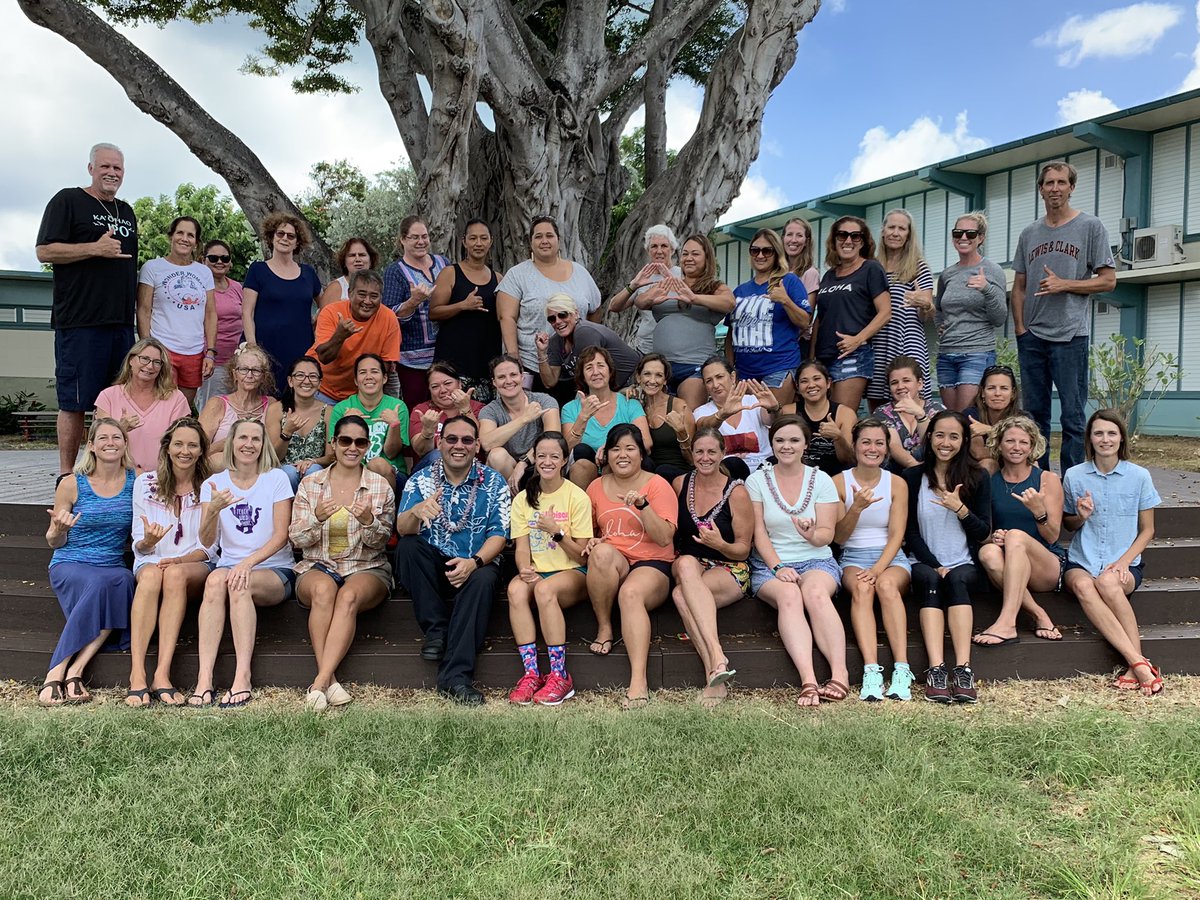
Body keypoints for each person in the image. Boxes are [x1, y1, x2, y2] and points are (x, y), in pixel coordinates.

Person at [36, 143, 138, 480]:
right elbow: (44, 251)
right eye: (105, 166)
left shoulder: (126, 211)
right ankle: (66, 474)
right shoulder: (67, 200)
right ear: (91, 167)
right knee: (75, 402)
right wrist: (94, 248)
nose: (112, 173)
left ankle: (109, 473)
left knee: (115, 402)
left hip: (120, 324)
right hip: (81, 322)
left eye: (118, 168)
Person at [394, 415, 511, 705]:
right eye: (452, 439)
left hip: (475, 566)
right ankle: (438, 631)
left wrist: (474, 562)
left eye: (467, 440)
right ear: (440, 442)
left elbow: (500, 534)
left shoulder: (493, 481)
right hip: (434, 568)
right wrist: (416, 511)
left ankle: (455, 678)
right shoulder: (420, 480)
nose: (459, 446)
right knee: (408, 548)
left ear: (477, 445)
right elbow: (402, 529)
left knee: (484, 578)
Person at [1012, 161, 1117, 472]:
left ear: (1072, 187)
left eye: (1061, 182)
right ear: (1040, 189)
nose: (1054, 188)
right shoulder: (1029, 233)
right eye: (1049, 183)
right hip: (1032, 337)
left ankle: (1071, 482)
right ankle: (1039, 479)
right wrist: (1020, 328)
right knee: (1034, 415)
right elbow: (1019, 286)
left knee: (1072, 416)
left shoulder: (1090, 227)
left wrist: (1064, 284)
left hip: (1070, 335)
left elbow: (1108, 280)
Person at [290, 415, 396, 712]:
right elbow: (297, 538)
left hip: (366, 565)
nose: (352, 447)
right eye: (345, 441)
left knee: (347, 596)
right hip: (317, 563)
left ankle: (320, 683)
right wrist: (317, 518)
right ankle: (330, 680)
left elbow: (380, 541)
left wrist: (369, 521)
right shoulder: (311, 484)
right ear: (333, 444)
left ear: (367, 446)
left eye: (360, 442)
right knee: (324, 592)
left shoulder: (379, 486)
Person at [193, 418, 295, 708]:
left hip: (273, 569)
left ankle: (242, 677)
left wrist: (248, 563)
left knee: (239, 583)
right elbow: (206, 541)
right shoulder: (214, 484)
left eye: (256, 439)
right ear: (231, 443)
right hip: (229, 566)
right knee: (214, 581)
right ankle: (204, 679)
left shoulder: (276, 479)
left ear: (263, 445)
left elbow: (280, 536)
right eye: (242, 438)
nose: (249, 445)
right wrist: (212, 511)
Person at [746, 415, 847, 707]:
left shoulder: (822, 480)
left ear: (805, 444)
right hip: (770, 564)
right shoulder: (757, 481)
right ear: (771, 443)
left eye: (793, 440)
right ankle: (809, 680)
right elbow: (759, 533)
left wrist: (811, 533)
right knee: (790, 595)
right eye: (779, 440)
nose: (786, 446)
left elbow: (827, 536)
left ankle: (839, 674)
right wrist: (778, 567)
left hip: (816, 560)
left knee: (814, 593)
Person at [1063, 409, 1164, 696]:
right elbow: (1069, 525)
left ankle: (1135, 666)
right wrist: (1081, 515)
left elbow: (1147, 530)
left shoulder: (1139, 476)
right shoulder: (1074, 475)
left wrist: (1122, 562)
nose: (1105, 439)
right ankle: (1141, 665)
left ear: (1121, 438)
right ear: (1090, 439)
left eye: (1111, 433)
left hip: (1125, 561)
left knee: (1108, 581)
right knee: (1085, 585)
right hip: (1082, 560)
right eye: (1098, 433)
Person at [37, 417, 136, 706]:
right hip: (71, 562)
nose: (110, 443)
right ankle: (55, 673)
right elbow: (53, 542)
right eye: (102, 438)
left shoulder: (136, 481)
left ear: (125, 443)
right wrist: (59, 529)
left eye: (116, 437)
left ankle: (76, 671)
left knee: (123, 579)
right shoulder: (71, 484)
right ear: (91, 445)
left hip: (111, 563)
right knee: (99, 583)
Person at [583, 425, 678, 708]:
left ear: (641, 453)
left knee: (631, 594)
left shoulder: (657, 484)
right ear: (607, 454)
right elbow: (588, 532)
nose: (622, 455)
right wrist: (590, 542)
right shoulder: (595, 486)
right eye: (616, 449)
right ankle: (604, 628)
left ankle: (638, 681)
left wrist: (642, 505)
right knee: (600, 554)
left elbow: (663, 539)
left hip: (653, 563)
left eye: (629, 448)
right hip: (616, 562)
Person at [902, 410, 991, 704]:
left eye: (954, 436)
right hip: (924, 562)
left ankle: (963, 669)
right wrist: (934, 563)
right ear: (929, 437)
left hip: (964, 562)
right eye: (940, 435)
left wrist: (959, 508)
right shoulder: (913, 477)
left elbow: (983, 532)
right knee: (929, 579)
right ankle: (936, 670)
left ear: (964, 440)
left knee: (957, 579)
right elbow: (911, 531)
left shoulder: (977, 477)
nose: (946, 442)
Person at [125, 417, 215, 707]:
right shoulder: (145, 483)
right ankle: (137, 674)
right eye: (178, 444)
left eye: (192, 445)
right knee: (151, 577)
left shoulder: (210, 488)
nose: (184, 451)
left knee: (174, 575)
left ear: (202, 450)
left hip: (191, 565)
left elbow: (209, 548)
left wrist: (178, 560)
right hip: (151, 561)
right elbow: (139, 544)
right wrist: (150, 542)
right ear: (167, 447)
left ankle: (162, 674)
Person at [505, 431, 594, 706]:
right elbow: (521, 547)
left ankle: (560, 675)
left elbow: (582, 557)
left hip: (572, 574)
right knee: (515, 589)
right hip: (539, 573)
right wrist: (523, 568)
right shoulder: (523, 499)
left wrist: (557, 533)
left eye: (554, 456)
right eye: (541, 456)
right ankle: (531, 673)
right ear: (534, 458)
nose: (547, 461)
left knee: (544, 590)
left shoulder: (577, 497)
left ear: (564, 460)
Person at [832, 418, 914, 701]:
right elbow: (838, 538)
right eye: (866, 441)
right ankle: (871, 671)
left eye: (879, 443)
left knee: (886, 586)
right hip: (853, 556)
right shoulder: (838, 482)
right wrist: (855, 508)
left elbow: (897, 535)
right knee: (863, 589)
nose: (872, 448)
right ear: (854, 446)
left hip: (890, 558)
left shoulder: (897, 483)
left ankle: (902, 669)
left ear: (887, 448)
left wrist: (879, 569)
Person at [671, 427, 753, 707]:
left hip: (729, 566)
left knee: (681, 595)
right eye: (699, 451)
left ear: (722, 453)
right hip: (690, 564)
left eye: (711, 451)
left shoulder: (737, 492)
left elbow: (743, 548)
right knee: (684, 563)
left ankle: (713, 674)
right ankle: (717, 657)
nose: (705, 457)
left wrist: (719, 544)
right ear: (691, 454)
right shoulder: (681, 483)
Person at [973, 416, 1065, 647]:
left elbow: (1053, 535)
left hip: (1046, 564)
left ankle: (1007, 622)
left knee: (1015, 536)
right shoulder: (991, 479)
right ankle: (1038, 613)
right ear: (999, 444)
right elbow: (984, 529)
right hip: (1009, 563)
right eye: (1010, 441)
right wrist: (994, 537)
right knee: (988, 553)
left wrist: (1038, 511)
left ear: (1033, 446)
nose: (1016, 447)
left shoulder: (1046, 479)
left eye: (1023, 442)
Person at [496, 216, 602, 388]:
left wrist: (585, 342)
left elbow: (595, 308)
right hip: (532, 364)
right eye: (538, 236)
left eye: (549, 235)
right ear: (530, 242)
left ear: (558, 240)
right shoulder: (517, 275)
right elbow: (506, 317)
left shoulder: (580, 272)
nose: (544, 241)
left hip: (577, 365)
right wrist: (513, 355)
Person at [638, 233, 734, 409]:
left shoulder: (714, 286)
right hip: (662, 368)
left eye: (695, 254)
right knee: (658, 421)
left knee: (686, 419)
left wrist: (694, 298)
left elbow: (729, 302)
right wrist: (651, 296)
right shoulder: (670, 283)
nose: (689, 258)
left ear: (707, 258)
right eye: (685, 254)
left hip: (694, 366)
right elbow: (640, 302)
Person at [812, 216, 891, 413]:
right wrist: (811, 359)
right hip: (823, 357)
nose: (848, 240)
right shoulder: (829, 275)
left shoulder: (871, 269)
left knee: (840, 421)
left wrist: (858, 339)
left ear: (863, 242)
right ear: (834, 240)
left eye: (855, 236)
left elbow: (885, 312)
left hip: (852, 355)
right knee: (820, 419)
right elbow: (819, 319)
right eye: (842, 235)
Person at [136, 216, 217, 403]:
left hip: (194, 351)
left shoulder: (204, 272)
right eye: (180, 232)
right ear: (170, 236)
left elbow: (211, 314)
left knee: (183, 408)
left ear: (196, 242)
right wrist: (148, 347)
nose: (184, 238)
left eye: (191, 235)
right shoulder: (153, 267)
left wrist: (210, 352)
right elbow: (143, 310)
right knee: (160, 404)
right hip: (163, 348)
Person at [728, 228, 811, 407]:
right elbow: (730, 333)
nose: (760, 255)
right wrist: (730, 368)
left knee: (773, 423)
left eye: (767, 250)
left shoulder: (788, 281)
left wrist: (785, 300)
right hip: (744, 374)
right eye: (755, 250)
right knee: (748, 426)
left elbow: (805, 322)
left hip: (779, 368)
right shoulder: (740, 291)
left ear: (776, 253)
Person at [935, 212, 1008, 412]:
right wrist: (939, 325)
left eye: (971, 233)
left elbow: (999, 318)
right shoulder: (947, 274)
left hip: (976, 353)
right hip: (946, 354)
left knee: (968, 418)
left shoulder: (992, 270)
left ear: (981, 238)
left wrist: (987, 288)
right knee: (951, 421)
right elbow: (940, 308)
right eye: (958, 233)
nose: (964, 238)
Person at [241, 213, 322, 392]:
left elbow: (326, 305)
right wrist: (253, 348)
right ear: (272, 237)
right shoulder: (257, 270)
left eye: (291, 235)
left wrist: (315, 322)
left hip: (300, 348)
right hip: (265, 348)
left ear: (297, 242)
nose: (285, 238)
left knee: (296, 400)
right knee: (261, 399)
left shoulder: (308, 273)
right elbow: (247, 312)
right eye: (280, 234)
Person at [429, 219, 503, 402]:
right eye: (473, 238)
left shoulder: (499, 279)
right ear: (464, 242)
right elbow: (433, 312)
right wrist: (462, 305)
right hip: (454, 363)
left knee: (484, 418)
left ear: (491, 241)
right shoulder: (450, 273)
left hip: (486, 363)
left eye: (483, 238)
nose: (478, 243)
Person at [868, 209, 934, 409]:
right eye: (891, 227)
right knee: (877, 402)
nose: (895, 233)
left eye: (901, 229)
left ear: (908, 234)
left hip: (906, 340)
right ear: (882, 231)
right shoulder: (871, 266)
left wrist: (924, 305)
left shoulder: (918, 267)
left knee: (910, 400)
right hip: (878, 343)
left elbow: (927, 313)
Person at [95, 337, 191, 474]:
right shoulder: (108, 396)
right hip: (118, 476)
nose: (150, 366)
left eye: (157, 362)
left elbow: (183, 441)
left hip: (162, 477)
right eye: (144, 359)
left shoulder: (176, 398)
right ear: (131, 360)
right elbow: (98, 442)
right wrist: (120, 429)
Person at [561, 347, 651, 487]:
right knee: (581, 456)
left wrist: (611, 447)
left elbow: (647, 442)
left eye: (601, 366)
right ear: (582, 376)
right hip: (586, 470)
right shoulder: (570, 408)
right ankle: (583, 507)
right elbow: (564, 449)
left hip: (622, 464)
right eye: (589, 368)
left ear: (610, 371)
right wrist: (583, 417)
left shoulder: (629, 404)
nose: (596, 372)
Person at [382, 216, 448, 406]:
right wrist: (413, 302)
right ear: (402, 239)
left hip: (445, 353)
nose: (421, 242)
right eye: (414, 237)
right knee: (418, 409)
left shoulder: (443, 263)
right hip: (412, 360)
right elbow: (389, 316)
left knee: (446, 407)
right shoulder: (395, 271)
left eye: (424, 236)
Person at [310, 269, 399, 403]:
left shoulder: (389, 318)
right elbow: (324, 357)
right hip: (323, 388)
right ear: (350, 293)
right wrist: (340, 336)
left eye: (374, 296)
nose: (367, 301)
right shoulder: (331, 312)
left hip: (360, 394)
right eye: (362, 294)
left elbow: (385, 365)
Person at [328, 354, 410, 492]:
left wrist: (394, 424)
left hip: (391, 475)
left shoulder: (397, 406)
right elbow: (334, 453)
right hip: (351, 472)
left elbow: (391, 453)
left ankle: (386, 512)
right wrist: (346, 423)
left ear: (384, 378)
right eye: (362, 372)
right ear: (355, 380)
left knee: (378, 464)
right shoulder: (342, 408)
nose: (369, 376)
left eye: (374, 371)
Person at [537, 293, 640, 403]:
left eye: (563, 315)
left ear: (575, 314)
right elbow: (549, 382)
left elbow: (595, 373)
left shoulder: (584, 332)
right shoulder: (555, 341)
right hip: (607, 387)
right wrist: (542, 353)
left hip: (631, 382)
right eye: (552, 319)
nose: (557, 321)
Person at [478, 354, 561, 490]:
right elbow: (487, 443)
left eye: (513, 375)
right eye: (501, 377)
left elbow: (553, 439)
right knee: (496, 455)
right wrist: (524, 419)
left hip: (539, 464)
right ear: (494, 382)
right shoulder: (489, 410)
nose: (508, 381)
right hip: (507, 470)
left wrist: (523, 463)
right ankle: (515, 503)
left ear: (522, 377)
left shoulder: (544, 401)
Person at [693, 356, 779, 479]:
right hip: (729, 473)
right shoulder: (701, 411)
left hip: (763, 471)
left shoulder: (752, 401)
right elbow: (704, 427)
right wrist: (723, 413)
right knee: (733, 464)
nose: (715, 385)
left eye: (719, 377)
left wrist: (774, 409)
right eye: (709, 381)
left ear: (732, 377)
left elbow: (772, 420)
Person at [198, 343, 274, 470]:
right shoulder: (217, 404)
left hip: (258, 470)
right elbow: (198, 449)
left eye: (256, 370)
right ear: (234, 374)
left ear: (263, 377)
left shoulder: (272, 405)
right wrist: (226, 444)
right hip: (221, 473)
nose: (249, 375)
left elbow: (273, 449)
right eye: (243, 369)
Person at [608, 224, 681, 354]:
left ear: (672, 250)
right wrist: (634, 285)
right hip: (645, 350)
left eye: (664, 246)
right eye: (654, 246)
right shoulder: (644, 276)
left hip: (675, 352)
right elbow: (613, 307)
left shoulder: (682, 275)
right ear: (648, 250)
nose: (659, 251)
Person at [779, 359, 855, 477]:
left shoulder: (845, 414)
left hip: (834, 474)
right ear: (797, 387)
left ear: (828, 383)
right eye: (804, 381)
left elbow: (848, 460)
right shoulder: (788, 411)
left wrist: (838, 437)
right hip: (798, 472)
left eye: (817, 379)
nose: (811, 385)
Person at [268, 356, 333, 491]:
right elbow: (273, 458)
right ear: (290, 381)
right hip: (284, 470)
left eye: (313, 376)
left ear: (320, 383)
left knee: (313, 471)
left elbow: (331, 457)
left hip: (315, 468)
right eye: (300, 375)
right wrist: (286, 433)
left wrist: (313, 462)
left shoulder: (328, 411)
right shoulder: (276, 409)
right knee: (289, 473)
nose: (306, 381)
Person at [631, 353, 695, 484]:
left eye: (659, 375)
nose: (652, 380)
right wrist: (626, 389)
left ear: (665, 380)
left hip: (677, 473)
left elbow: (692, 459)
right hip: (647, 472)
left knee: (662, 471)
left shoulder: (679, 406)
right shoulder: (635, 405)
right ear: (638, 377)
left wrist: (681, 432)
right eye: (647, 374)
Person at [409, 362, 485, 468]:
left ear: (459, 384)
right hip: (429, 475)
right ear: (429, 390)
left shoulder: (478, 408)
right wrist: (428, 430)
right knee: (438, 455)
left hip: (473, 471)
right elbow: (421, 451)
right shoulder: (422, 410)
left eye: (448, 383)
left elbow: (482, 443)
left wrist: (465, 409)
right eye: (435, 386)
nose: (443, 390)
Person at [196, 240, 244, 408]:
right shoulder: (198, 289)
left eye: (224, 258)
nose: (219, 262)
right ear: (203, 260)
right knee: (211, 410)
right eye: (213, 258)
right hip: (210, 363)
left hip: (237, 364)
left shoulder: (237, 287)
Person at [874, 356, 941, 471]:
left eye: (906, 380)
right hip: (896, 470)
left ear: (919, 384)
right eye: (894, 382)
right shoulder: (883, 412)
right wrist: (917, 470)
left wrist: (921, 415)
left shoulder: (936, 410)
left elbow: (934, 445)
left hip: (933, 468)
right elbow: (893, 446)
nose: (900, 387)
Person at [964, 364, 1024, 469]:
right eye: (991, 388)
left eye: (1004, 388)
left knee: (1032, 465)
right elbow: (979, 453)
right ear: (983, 392)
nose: (997, 393)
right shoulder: (971, 415)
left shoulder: (1023, 418)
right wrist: (1012, 450)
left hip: (1014, 468)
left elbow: (1031, 452)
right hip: (978, 471)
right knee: (989, 464)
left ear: (1013, 393)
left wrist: (991, 430)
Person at [318, 236, 380, 308]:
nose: (358, 259)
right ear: (344, 261)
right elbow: (324, 317)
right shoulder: (336, 288)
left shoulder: (378, 286)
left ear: (371, 260)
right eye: (352, 255)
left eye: (362, 255)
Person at [782, 217, 821, 318]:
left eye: (799, 235)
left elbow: (807, 319)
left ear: (806, 242)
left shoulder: (810, 273)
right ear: (783, 238)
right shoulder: (776, 272)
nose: (793, 240)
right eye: (789, 234)